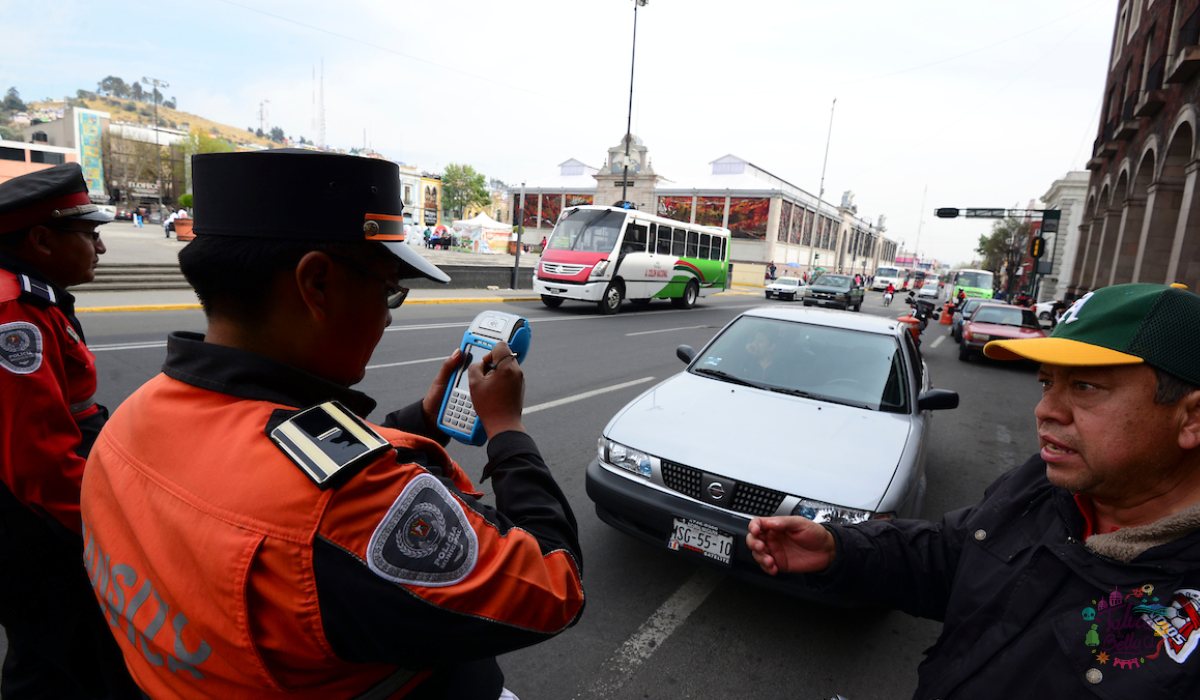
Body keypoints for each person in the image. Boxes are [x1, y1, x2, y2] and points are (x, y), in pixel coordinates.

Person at [79, 150, 585, 699]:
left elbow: (281, 451)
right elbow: (554, 584)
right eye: (388, 289)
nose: (390, 315)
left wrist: (422, 419)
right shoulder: (346, 505)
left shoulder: (131, 420)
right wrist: (507, 428)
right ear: (317, 284)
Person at [746, 282, 1200, 696]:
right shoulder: (1044, 487)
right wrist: (839, 549)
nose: (1046, 410)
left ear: (1191, 417)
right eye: (1046, 382)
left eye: (1084, 386)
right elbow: (949, 556)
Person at [0, 163, 139, 698]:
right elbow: (37, 461)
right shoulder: (16, 310)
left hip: (36, 517)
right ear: (40, 239)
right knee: (66, 663)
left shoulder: (31, 295)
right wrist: (114, 525)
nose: (100, 248)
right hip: (37, 527)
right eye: (89, 234)